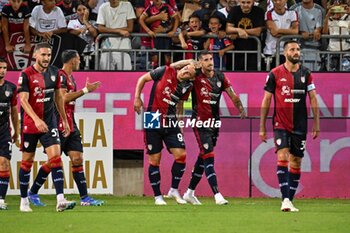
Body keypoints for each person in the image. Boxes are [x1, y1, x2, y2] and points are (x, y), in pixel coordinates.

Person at [27, 50, 104, 207]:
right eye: (79, 59)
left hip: (70, 123)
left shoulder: (71, 77)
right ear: (72, 61)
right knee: (53, 162)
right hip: (58, 123)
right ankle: (33, 192)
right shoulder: (60, 76)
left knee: (77, 158)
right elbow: (63, 98)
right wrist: (85, 90)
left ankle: (84, 198)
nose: (80, 62)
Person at [259, 40, 320, 212]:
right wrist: (262, 126)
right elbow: (266, 100)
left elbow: (313, 98)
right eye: (292, 49)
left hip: (300, 125)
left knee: (296, 161)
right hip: (281, 123)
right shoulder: (275, 73)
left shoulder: (306, 73)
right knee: (283, 157)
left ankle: (289, 200)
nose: (296, 52)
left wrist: (316, 123)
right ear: (285, 53)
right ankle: (285, 199)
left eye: (298, 49)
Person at [17, 42, 75, 212]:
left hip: (49, 122)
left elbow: (58, 98)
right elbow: (23, 101)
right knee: (27, 162)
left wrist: (64, 119)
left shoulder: (55, 73)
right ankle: (24, 201)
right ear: (35, 55)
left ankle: (60, 199)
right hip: (30, 124)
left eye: (48, 55)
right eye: (43, 55)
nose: (46, 58)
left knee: (55, 158)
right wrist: (35, 120)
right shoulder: (26, 74)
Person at [182, 51, 246, 205]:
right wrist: (190, 68)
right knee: (209, 155)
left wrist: (241, 108)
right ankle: (217, 195)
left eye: (211, 59)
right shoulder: (195, 76)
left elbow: (232, 94)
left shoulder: (220, 77)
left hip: (214, 123)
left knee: (203, 157)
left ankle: (189, 193)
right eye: (206, 60)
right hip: (199, 122)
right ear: (200, 63)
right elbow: (182, 86)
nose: (210, 62)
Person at [134, 59, 197, 205]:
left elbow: (180, 105)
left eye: (190, 72)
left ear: (191, 78)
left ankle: (174, 189)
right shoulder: (166, 71)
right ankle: (157, 197)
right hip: (153, 118)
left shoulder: (187, 86)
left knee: (181, 155)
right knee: (155, 160)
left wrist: (180, 123)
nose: (186, 71)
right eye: (186, 68)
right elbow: (142, 79)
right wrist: (137, 98)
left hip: (171, 119)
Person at [0, 58, 19, 210]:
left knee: (4, 163)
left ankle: (0, 200)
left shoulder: (11, 88)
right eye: (0, 68)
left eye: (5, 68)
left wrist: (17, 131)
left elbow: (13, 112)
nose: (2, 71)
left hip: (4, 132)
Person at [226, 0, 265, 71]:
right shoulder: (234, 10)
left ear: (253, 2)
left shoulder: (259, 11)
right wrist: (238, 30)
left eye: (248, 2)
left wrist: (240, 32)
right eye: (243, 2)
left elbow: (258, 31)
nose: (245, 5)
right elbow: (228, 29)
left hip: (254, 52)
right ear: (239, 2)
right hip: (236, 51)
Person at [96, 0, 136, 70]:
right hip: (106, 48)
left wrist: (109, 30)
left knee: (125, 76)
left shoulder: (127, 5)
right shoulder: (103, 7)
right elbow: (100, 28)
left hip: (123, 47)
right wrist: (118, 31)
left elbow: (130, 28)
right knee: (105, 76)